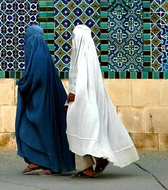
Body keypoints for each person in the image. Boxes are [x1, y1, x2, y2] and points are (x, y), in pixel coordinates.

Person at [66, 24, 139, 178]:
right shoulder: (83, 55)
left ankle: (95, 162)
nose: (73, 40)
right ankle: (97, 160)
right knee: (84, 130)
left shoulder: (85, 58)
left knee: (83, 129)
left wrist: (72, 91)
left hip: (82, 100)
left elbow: (79, 78)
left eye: (75, 37)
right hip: (83, 100)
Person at [15, 25, 75, 175]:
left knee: (35, 129)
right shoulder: (42, 53)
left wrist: (23, 84)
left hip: (41, 102)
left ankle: (50, 164)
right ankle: (35, 162)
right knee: (39, 131)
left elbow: (37, 77)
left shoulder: (38, 55)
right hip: (40, 100)